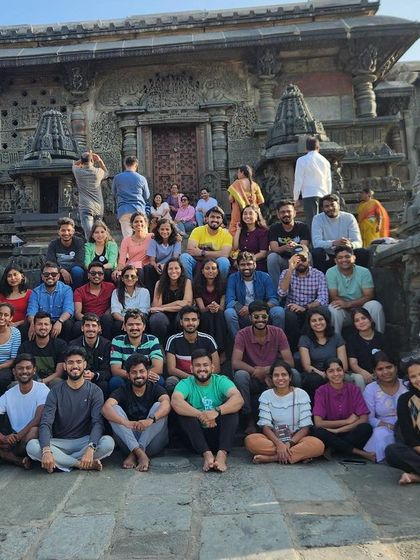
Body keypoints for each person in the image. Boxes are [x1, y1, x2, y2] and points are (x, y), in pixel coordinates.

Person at [26, 347, 115, 472]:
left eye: (79, 362)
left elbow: (98, 423)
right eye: (70, 362)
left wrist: (90, 449)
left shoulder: (95, 391)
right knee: (32, 446)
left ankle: (60, 462)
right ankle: (79, 464)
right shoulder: (55, 391)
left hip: (84, 442)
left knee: (108, 443)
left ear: (84, 365)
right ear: (65, 366)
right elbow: (46, 423)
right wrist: (46, 451)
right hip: (58, 442)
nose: (75, 366)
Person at [171, 349, 244, 472]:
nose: (202, 369)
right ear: (191, 368)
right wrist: (201, 415)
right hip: (196, 438)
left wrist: (216, 412)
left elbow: (238, 399)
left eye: (205, 365)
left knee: (231, 411)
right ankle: (207, 455)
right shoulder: (186, 383)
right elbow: (175, 401)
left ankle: (221, 456)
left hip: (219, 434)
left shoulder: (220, 380)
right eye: (197, 365)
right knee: (185, 415)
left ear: (212, 367)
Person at [232, 300, 297, 434]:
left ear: (268, 317)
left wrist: (268, 371)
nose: (260, 320)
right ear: (250, 318)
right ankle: (248, 418)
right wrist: (256, 371)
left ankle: (293, 418)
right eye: (256, 317)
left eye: (264, 316)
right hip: (252, 376)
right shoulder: (242, 334)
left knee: (294, 374)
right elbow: (235, 362)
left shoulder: (278, 332)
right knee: (240, 375)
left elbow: (289, 362)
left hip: (273, 375)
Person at [244, 360, 324, 464]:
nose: (280, 378)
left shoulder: (301, 394)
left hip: (296, 440)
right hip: (274, 439)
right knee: (250, 440)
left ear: (290, 377)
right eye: (276, 375)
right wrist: (279, 444)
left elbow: (305, 428)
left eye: (284, 375)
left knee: (318, 445)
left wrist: (289, 444)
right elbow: (265, 426)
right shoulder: (266, 395)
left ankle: (272, 458)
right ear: (271, 379)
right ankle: (296, 456)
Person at [102, 354, 170, 471]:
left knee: (159, 406)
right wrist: (125, 422)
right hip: (129, 440)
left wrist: (150, 420)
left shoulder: (155, 388)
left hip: (153, 441)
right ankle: (140, 453)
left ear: (148, 372)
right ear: (128, 375)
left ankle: (135, 454)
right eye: (134, 372)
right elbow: (105, 408)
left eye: (142, 371)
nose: (138, 375)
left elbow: (167, 404)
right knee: (113, 410)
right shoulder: (123, 389)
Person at [311, 357, 375, 462]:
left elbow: (363, 419)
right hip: (329, 433)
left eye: (339, 370)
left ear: (343, 371)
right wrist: (346, 421)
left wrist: (338, 430)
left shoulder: (354, 389)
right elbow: (318, 423)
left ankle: (334, 448)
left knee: (366, 428)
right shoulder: (321, 391)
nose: (336, 374)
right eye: (331, 371)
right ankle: (358, 452)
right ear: (326, 374)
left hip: (349, 431)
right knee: (317, 431)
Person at [0, 354, 49, 468]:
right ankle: (17, 459)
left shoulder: (42, 389)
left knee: (34, 431)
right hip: (12, 439)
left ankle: (7, 456)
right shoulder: (9, 394)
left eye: (28, 368)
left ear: (34, 370)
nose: (24, 371)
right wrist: (3, 438)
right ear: (14, 371)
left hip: (29, 437)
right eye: (20, 368)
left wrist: (18, 436)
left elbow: (38, 418)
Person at [278, 244, 329, 352]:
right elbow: (281, 293)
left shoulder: (318, 274)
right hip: (292, 309)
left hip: (311, 309)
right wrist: (290, 269)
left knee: (324, 310)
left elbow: (323, 299)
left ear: (309, 258)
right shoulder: (286, 273)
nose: (300, 262)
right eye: (297, 259)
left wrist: (305, 307)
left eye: (303, 258)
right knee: (288, 315)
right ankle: (294, 350)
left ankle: (321, 347)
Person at [326, 245, 385, 335]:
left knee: (375, 305)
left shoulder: (364, 272)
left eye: (347, 256)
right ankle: (337, 343)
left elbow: (369, 295)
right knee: (333, 308)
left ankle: (379, 340)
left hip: (362, 309)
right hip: (344, 312)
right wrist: (347, 306)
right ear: (335, 261)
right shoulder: (331, 272)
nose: (344, 260)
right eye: (340, 258)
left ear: (354, 258)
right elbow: (334, 296)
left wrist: (349, 304)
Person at [225, 251, 284, 338]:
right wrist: (242, 308)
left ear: (255, 265)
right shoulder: (233, 278)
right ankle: (239, 342)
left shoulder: (265, 277)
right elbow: (230, 301)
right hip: (242, 313)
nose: (246, 267)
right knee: (229, 313)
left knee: (279, 311)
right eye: (242, 265)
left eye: (249, 264)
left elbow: (274, 300)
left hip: (262, 312)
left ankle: (276, 341)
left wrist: (252, 308)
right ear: (238, 266)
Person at [298, 308, 352, 402]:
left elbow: (344, 365)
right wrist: (324, 374)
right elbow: (307, 366)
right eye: (314, 321)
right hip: (316, 373)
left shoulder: (336, 337)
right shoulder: (304, 339)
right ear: (309, 324)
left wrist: (332, 373)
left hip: (336, 371)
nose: (318, 323)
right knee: (313, 379)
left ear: (326, 321)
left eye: (321, 319)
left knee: (347, 378)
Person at [362, 352, 407, 463]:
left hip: (408, 426)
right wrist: (389, 426)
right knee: (380, 435)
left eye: (389, 367)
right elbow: (369, 418)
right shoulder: (371, 389)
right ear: (374, 372)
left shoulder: (407, 385)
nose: (385, 372)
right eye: (380, 369)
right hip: (384, 427)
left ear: (396, 367)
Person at [165, 305, 220, 392]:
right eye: (187, 319)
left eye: (193, 319)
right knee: (171, 381)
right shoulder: (173, 340)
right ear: (181, 322)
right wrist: (193, 379)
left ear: (198, 322)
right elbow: (171, 369)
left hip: (205, 378)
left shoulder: (208, 339)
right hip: (183, 379)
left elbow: (216, 368)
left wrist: (201, 379)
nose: (190, 323)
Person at [311, 194, 368, 273]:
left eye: (332, 205)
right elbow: (316, 243)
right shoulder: (317, 219)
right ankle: (322, 281)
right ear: (322, 208)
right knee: (317, 252)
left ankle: (361, 279)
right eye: (326, 206)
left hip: (347, 254)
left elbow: (358, 242)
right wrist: (334, 243)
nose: (330, 208)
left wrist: (350, 245)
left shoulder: (349, 217)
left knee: (362, 252)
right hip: (328, 255)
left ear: (338, 206)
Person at [110, 309, 163, 392]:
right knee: (115, 382)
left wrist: (140, 375)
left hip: (145, 377)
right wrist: (134, 376)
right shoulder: (117, 341)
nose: (134, 328)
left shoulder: (152, 340)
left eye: (138, 324)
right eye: (130, 324)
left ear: (144, 326)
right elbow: (115, 370)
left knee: (159, 380)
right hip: (127, 377)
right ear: (124, 326)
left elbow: (158, 368)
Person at [385, 359, 420, 484]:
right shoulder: (405, 400)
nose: (418, 379)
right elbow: (410, 438)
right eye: (413, 376)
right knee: (392, 451)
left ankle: (417, 477)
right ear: (409, 379)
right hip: (417, 450)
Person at [267, 200, 310, 289]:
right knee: (271, 257)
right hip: (283, 260)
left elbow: (305, 248)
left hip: (298, 259)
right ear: (278, 215)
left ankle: (308, 287)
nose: (286, 214)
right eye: (282, 212)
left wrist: (296, 247)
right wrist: (284, 247)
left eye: (288, 211)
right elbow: (274, 248)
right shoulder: (274, 228)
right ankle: (276, 292)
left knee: (309, 255)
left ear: (294, 213)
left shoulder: (302, 227)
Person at [180, 206, 232, 280]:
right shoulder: (197, 230)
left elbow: (225, 254)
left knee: (224, 261)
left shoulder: (226, 234)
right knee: (184, 257)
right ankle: (189, 285)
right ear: (206, 219)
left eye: (218, 217)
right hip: (197, 262)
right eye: (212, 217)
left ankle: (220, 287)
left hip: (215, 263)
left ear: (222, 220)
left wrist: (202, 252)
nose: (215, 220)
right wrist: (217, 253)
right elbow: (191, 251)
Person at [26, 261, 74, 342]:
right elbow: (31, 311)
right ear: (42, 276)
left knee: (68, 324)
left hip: (59, 320)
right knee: (26, 326)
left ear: (58, 276)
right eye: (46, 274)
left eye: (54, 274)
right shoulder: (36, 292)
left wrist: (60, 321)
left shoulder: (66, 290)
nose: (50, 276)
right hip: (42, 321)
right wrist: (33, 323)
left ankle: (65, 349)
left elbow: (68, 310)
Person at [149, 258, 193, 342]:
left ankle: (181, 343)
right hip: (163, 316)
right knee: (156, 318)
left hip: (178, 314)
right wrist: (178, 303)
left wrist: (163, 308)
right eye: (170, 268)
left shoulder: (187, 282)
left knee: (184, 314)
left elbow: (187, 304)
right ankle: (160, 344)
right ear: (166, 270)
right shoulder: (159, 283)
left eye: (176, 268)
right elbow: (156, 306)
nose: (173, 271)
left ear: (181, 269)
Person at [18, 311, 67, 386]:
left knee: (57, 382)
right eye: (39, 324)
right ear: (34, 326)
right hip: (30, 383)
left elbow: (59, 373)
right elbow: (21, 370)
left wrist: (41, 382)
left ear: (51, 326)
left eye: (46, 324)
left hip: (51, 382)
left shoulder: (60, 345)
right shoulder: (25, 347)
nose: (43, 327)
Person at [69, 313, 112, 396]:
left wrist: (94, 375)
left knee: (104, 384)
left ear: (99, 328)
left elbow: (107, 371)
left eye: (94, 326)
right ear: (82, 328)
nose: (90, 329)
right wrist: (81, 374)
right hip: (77, 378)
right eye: (87, 325)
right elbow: (68, 368)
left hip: (96, 379)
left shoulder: (107, 345)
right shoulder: (73, 344)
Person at [192, 258, 227, 357]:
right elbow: (202, 308)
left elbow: (222, 307)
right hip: (204, 313)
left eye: (213, 268)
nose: (211, 271)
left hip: (218, 312)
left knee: (219, 315)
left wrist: (217, 307)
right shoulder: (197, 285)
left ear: (217, 271)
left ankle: (221, 351)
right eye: (207, 268)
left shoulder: (223, 284)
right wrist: (210, 307)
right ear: (202, 271)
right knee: (207, 316)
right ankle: (209, 349)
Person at [293, 137, 332, 227]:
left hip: (309, 194)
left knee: (313, 222)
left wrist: (296, 198)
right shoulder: (325, 161)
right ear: (318, 148)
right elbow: (328, 180)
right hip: (323, 194)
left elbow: (298, 180)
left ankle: (314, 240)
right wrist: (328, 196)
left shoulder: (301, 160)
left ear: (306, 148)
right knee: (325, 222)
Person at [72, 261, 114, 340]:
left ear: (104, 276)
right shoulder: (79, 291)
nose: (97, 276)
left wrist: (103, 318)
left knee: (107, 319)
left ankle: (107, 346)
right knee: (77, 326)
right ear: (88, 275)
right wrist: (92, 321)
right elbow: (77, 313)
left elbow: (113, 306)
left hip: (104, 318)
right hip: (87, 318)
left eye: (100, 273)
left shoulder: (111, 287)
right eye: (93, 273)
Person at [72, 151, 108, 240]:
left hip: (86, 207)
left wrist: (85, 158)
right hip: (98, 207)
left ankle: (91, 252)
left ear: (82, 161)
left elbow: (74, 165)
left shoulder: (78, 172)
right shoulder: (98, 172)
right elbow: (107, 173)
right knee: (100, 234)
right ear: (92, 160)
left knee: (89, 235)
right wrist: (99, 160)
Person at [347, 308, 388, 385]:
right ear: (354, 324)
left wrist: (377, 373)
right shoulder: (352, 340)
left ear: (370, 319)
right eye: (357, 320)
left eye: (363, 318)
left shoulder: (381, 337)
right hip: (362, 375)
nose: (361, 322)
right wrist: (363, 373)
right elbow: (353, 363)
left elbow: (387, 360)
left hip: (381, 373)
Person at [112, 156, 150, 238]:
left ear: (125, 164)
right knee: (143, 238)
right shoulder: (141, 178)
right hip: (139, 210)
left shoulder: (117, 178)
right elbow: (147, 196)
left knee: (128, 238)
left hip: (124, 210)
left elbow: (113, 193)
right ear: (136, 165)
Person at [144, 219, 182, 296]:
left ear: (172, 230)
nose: (165, 232)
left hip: (171, 266)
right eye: (162, 229)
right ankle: (150, 296)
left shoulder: (176, 241)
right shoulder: (154, 241)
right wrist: (156, 266)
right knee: (148, 268)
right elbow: (152, 260)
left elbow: (175, 258)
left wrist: (165, 265)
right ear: (158, 230)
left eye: (167, 229)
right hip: (158, 266)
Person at [46, 217, 85, 289]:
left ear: (73, 231)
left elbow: (80, 261)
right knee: (47, 272)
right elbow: (50, 261)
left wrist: (66, 271)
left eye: (69, 230)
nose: (66, 233)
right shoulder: (53, 244)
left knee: (77, 271)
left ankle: (76, 294)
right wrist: (62, 270)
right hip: (59, 270)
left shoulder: (79, 242)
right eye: (63, 230)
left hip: (74, 270)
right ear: (59, 232)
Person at [111, 265, 150, 334]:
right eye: (126, 276)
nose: (129, 278)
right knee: (118, 325)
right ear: (122, 278)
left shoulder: (144, 292)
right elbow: (115, 312)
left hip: (139, 319)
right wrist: (126, 322)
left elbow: (143, 312)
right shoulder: (116, 292)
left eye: (133, 276)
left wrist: (132, 323)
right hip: (123, 319)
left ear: (137, 278)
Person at [227, 165, 264, 236]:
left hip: (238, 212)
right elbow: (261, 200)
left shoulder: (237, 183)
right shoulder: (255, 185)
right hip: (252, 212)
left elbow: (231, 199)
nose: (237, 174)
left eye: (238, 172)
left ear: (242, 172)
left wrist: (240, 200)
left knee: (236, 228)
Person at [116, 212, 153, 280]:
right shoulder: (126, 240)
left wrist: (177, 237)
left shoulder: (151, 237)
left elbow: (165, 236)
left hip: (147, 268)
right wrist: (117, 270)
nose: (139, 224)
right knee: (118, 276)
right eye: (136, 222)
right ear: (132, 225)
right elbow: (122, 261)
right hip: (132, 268)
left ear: (145, 224)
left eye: (141, 221)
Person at [233, 205, 269, 271]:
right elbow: (235, 247)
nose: (247, 216)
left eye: (251, 213)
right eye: (245, 213)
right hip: (241, 263)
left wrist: (246, 261)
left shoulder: (263, 232)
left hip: (256, 263)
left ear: (256, 216)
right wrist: (238, 230)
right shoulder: (242, 231)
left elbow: (263, 254)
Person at [0, 264, 32, 333]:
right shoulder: (2, 295)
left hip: (25, 328)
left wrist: (18, 323)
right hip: (4, 328)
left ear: (22, 276)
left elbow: (32, 313)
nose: (13, 278)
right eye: (9, 276)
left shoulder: (30, 294)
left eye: (15, 274)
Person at [0, 303, 21, 396]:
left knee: (2, 378)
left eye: (6, 315)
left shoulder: (15, 333)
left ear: (11, 318)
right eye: (0, 314)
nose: (2, 317)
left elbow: (13, 359)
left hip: (6, 367)